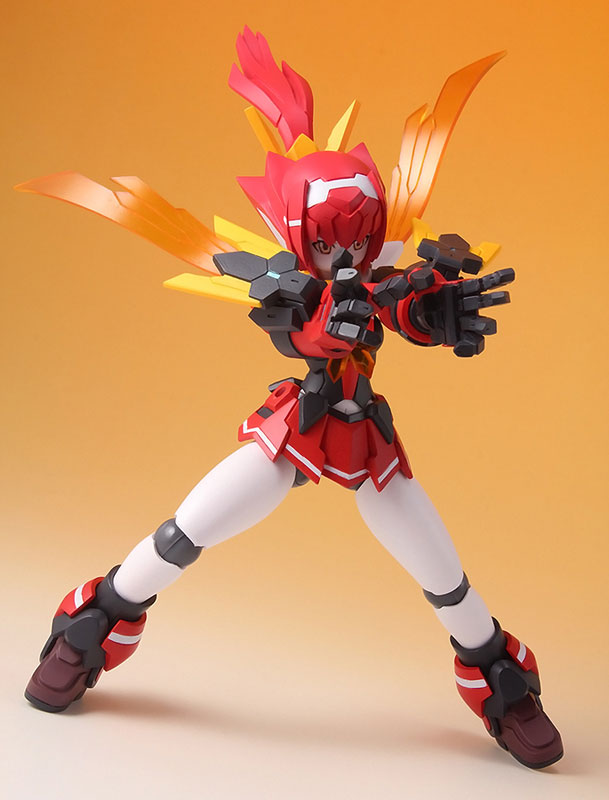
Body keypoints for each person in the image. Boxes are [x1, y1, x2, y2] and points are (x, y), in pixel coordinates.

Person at [19, 28, 562, 769]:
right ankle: (90, 627)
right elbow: (303, 334)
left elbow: (401, 309)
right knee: (184, 534)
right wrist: (334, 322)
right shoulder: (287, 283)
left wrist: (435, 314)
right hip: (295, 432)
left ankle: (500, 680)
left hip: (365, 440)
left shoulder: (378, 273)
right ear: (302, 237)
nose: (350, 257)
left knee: (444, 577)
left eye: (360, 242)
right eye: (333, 245)